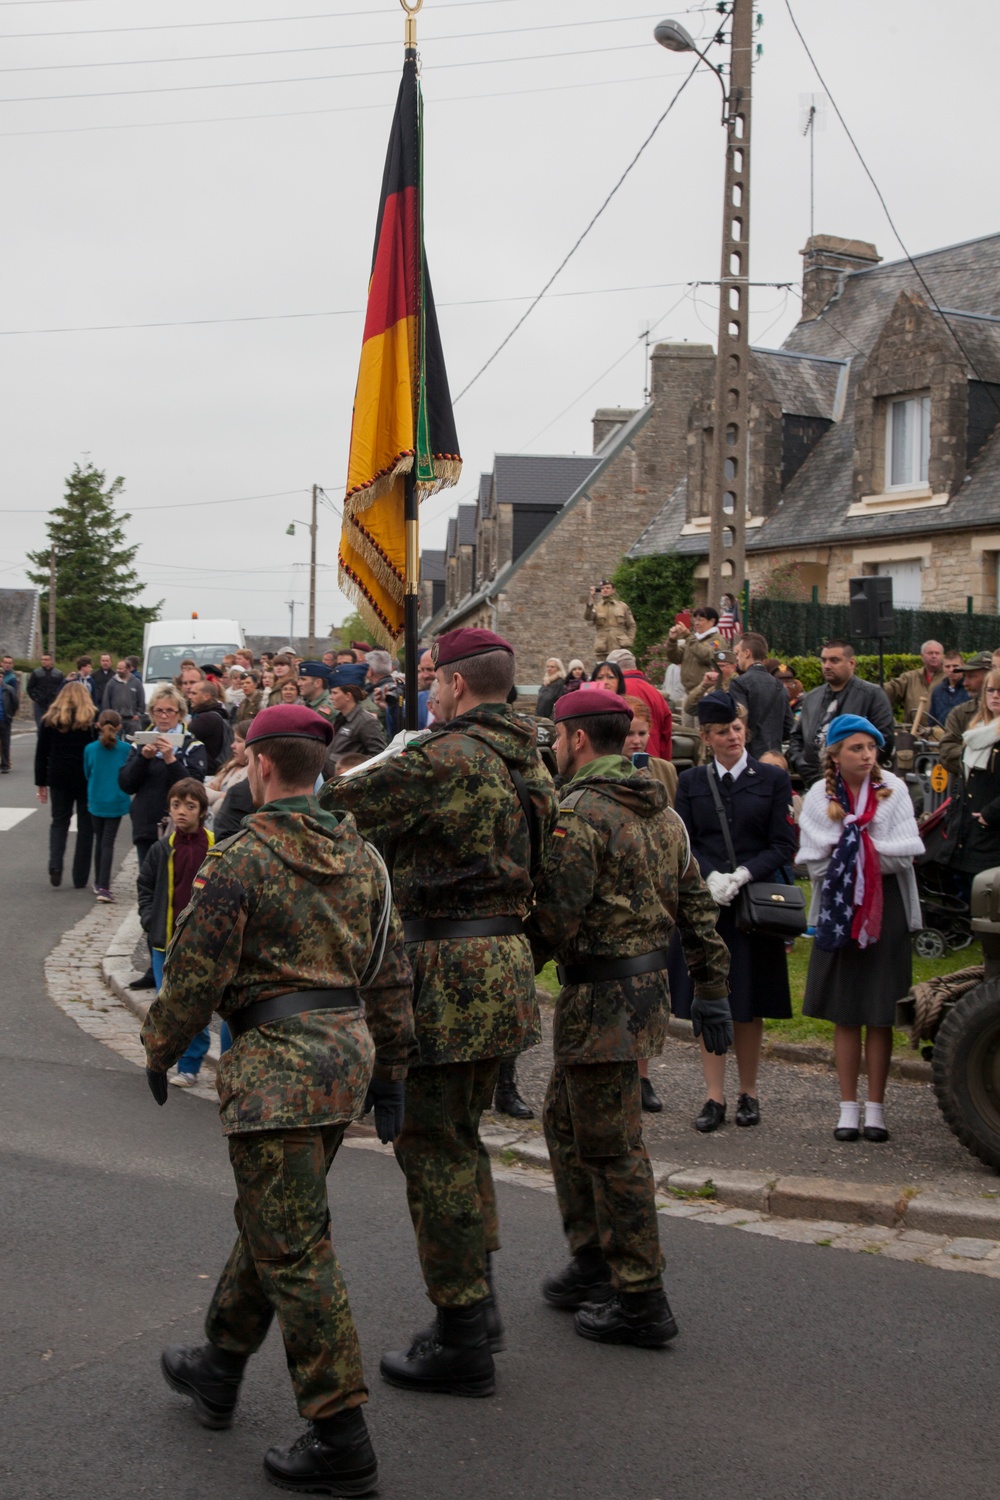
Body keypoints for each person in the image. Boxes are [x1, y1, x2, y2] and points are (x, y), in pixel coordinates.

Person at [141, 704, 416, 1493]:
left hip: (276, 1075)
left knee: (295, 1248)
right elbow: (390, 971)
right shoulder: (363, 858)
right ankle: (219, 1365)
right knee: (277, 1220)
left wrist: (161, 1047)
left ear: (260, 766)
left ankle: (341, 1437)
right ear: (323, 769)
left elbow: (194, 974)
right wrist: (391, 1071)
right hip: (343, 1066)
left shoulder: (240, 858)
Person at [322, 627, 559, 1397]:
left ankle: (461, 1333)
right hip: (503, 964)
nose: (429, 689)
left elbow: (330, 807)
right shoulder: (532, 761)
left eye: (433, 678)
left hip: (446, 969)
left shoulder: (446, 759)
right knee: (460, 1139)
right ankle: (477, 1302)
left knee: (433, 1152)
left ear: (456, 685)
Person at [525, 688, 730, 1347]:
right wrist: (712, 989)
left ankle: (641, 1295)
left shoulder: (581, 812)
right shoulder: (662, 813)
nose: (553, 747)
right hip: (641, 993)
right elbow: (697, 906)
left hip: (603, 1001)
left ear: (577, 740)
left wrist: (504, 976)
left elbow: (555, 918)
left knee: (613, 1148)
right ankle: (593, 1259)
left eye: (556, 737)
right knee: (564, 1119)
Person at [670, 692, 798, 1132]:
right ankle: (714, 1097)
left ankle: (749, 1092)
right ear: (705, 736)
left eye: (738, 729)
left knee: (749, 1000)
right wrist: (709, 877)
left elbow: (783, 844)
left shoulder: (770, 779)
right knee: (711, 998)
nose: (733, 738)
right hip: (709, 907)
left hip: (751, 904)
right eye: (723, 732)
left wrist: (743, 873)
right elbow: (684, 841)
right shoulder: (691, 784)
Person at [799, 716, 923, 1143]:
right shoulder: (819, 796)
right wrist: (860, 852)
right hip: (838, 911)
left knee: (880, 1010)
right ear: (834, 754)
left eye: (872, 747)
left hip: (883, 909)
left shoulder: (895, 790)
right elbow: (814, 862)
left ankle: (877, 1109)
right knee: (846, 1010)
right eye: (856, 748)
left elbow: (902, 857)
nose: (867, 755)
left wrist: (854, 848)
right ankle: (847, 1108)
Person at [119, 685, 208, 988]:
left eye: (170, 710)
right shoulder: (140, 741)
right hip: (148, 827)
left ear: (181, 714)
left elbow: (195, 786)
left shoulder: (191, 744)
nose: (164, 716)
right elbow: (126, 783)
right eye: (159, 710)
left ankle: (180, 959)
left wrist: (171, 760)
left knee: (182, 892)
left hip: (183, 830)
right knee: (154, 893)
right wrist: (143, 757)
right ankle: (153, 964)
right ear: (152, 712)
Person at [138, 778, 215, 1086]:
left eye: (190, 806)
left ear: (203, 811)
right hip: (164, 941)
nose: (182, 812)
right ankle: (159, 1058)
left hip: (200, 944)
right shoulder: (161, 848)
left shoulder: (216, 846)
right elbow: (144, 885)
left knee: (195, 1004)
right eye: (176, 805)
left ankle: (191, 1063)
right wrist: (148, 917)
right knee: (166, 1002)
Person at [788, 639, 895, 788]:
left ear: (851, 663)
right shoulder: (811, 697)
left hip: (857, 784)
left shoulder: (872, 695)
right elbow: (796, 736)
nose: (827, 666)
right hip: (813, 781)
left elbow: (885, 740)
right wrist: (800, 762)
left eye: (834, 660)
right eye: (824, 660)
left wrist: (855, 769)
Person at [941, 669, 1000, 895]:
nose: (995, 695)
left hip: (992, 837)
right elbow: (965, 779)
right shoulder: (977, 732)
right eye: (991, 690)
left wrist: (990, 815)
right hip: (965, 834)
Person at [35, 681, 96, 888]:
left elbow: (41, 754)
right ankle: (80, 876)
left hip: (58, 776)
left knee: (59, 821)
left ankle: (55, 864)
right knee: (86, 826)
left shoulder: (49, 720)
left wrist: (41, 783)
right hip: (85, 777)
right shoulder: (91, 719)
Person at [83, 709, 132, 900]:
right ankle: (104, 885)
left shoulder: (90, 749)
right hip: (116, 800)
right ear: (119, 726)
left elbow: (88, 773)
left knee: (100, 840)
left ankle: (98, 881)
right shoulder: (126, 749)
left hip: (96, 798)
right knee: (108, 843)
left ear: (98, 725)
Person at [729, 632, 794, 759]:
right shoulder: (779, 685)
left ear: (747, 653)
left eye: (738, 654)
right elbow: (788, 728)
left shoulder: (739, 683)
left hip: (749, 755)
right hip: (775, 757)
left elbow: (740, 721)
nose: (737, 658)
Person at [605, 648, 673, 760]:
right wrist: (665, 764)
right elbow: (666, 735)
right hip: (653, 764)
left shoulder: (615, 692)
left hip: (622, 765)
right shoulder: (656, 693)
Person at [934, 651, 992, 777]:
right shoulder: (960, 713)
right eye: (965, 677)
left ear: (990, 677)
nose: (965, 683)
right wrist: (981, 755)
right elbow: (946, 752)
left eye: (972, 677)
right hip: (968, 788)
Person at [666, 608, 725, 724]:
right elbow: (675, 658)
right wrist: (672, 640)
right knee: (688, 733)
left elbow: (708, 655)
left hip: (706, 694)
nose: (696, 623)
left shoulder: (717, 639)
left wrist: (688, 636)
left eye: (700, 620)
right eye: (695, 619)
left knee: (701, 730)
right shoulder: (694, 639)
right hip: (688, 693)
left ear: (712, 621)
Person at [325, 667, 386, 773]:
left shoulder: (366, 721)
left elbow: (379, 755)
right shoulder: (340, 718)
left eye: (335, 693)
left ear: (348, 696)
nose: (331, 697)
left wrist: (353, 768)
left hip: (348, 782)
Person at [883, 640, 944, 722]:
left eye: (937, 653)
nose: (934, 656)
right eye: (930, 653)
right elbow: (891, 689)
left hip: (940, 732)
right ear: (922, 656)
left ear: (942, 656)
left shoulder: (949, 678)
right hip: (912, 731)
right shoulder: (910, 677)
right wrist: (871, 690)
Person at [205, 723, 249, 826]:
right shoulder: (230, 767)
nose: (232, 746)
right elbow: (201, 791)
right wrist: (221, 795)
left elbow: (233, 801)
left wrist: (216, 795)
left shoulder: (251, 774)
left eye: (238, 741)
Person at [187, 679, 232, 773]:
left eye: (194, 694)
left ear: (206, 696)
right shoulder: (211, 714)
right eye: (190, 693)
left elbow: (183, 735)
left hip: (205, 771)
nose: (189, 697)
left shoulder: (207, 718)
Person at [584, 579, 636, 657]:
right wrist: (591, 599)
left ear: (613, 590)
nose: (605, 590)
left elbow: (632, 625)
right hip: (603, 650)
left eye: (608, 588)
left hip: (620, 648)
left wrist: (629, 641)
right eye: (603, 588)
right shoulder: (596, 607)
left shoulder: (622, 606)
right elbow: (587, 617)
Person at [101, 658, 145, 736]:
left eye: (121, 668)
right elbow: (106, 700)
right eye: (117, 668)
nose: (118, 670)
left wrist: (138, 714)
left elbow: (141, 699)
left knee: (133, 743)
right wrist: (108, 716)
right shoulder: (111, 683)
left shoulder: (136, 682)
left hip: (132, 719)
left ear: (128, 669)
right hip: (116, 720)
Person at [929, 650, 969, 733]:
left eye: (955, 666)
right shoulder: (937, 691)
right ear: (942, 667)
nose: (951, 670)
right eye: (948, 666)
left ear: (963, 666)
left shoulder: (971, 689)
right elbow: (932, 721)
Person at [27, 652, 65, 728]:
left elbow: (62, 688)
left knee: (53, 725)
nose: (43, 661)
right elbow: (30, 687)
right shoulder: (36, 673)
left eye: (46, 659)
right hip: (40, 703)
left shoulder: (58, 674)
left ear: (51, 661)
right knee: (40, 726)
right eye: (42, 659)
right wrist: (35, 698)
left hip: (53, 704)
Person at [0, 656, 19, 773]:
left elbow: (15, 703)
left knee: (5, 742)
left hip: (4, 718)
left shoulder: (9, 688)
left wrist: (10, 715)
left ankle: (5, 764)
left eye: (1, 676)